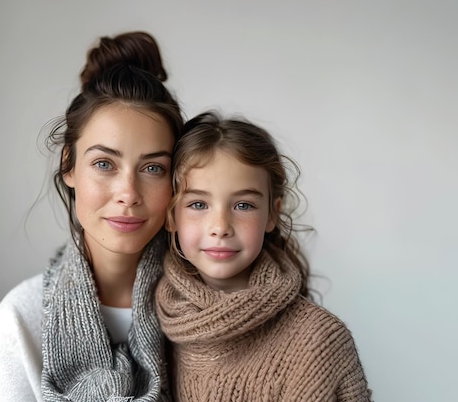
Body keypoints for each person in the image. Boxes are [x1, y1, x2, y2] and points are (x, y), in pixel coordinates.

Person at [0, 31, 184, 402]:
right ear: (69, 167)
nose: (128, 193)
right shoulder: (22, 320)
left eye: (153, 168)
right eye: (104, 164)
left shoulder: (210, 311)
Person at [155, 112, 372, 401]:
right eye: (198, 204)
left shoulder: (317, 341)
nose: (220, 226)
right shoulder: (148, 323)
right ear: (171, 216)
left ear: (272, 213)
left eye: (243, 205)